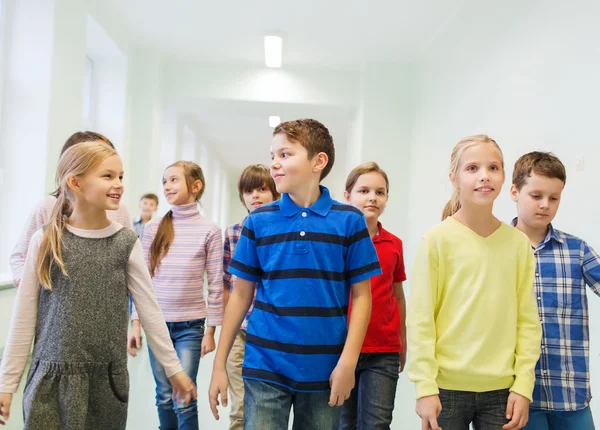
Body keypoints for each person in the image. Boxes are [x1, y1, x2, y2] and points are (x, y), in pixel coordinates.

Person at [0, 142, 196, 429]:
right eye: (108, 176)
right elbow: (24, 316)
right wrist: (7, 383)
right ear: (75, 182)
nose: (118, 184)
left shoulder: (126, 243)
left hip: (106, 384)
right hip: (50, 381)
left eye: (120, 176)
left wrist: (173, 367)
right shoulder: (44, 241)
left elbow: (150, 311)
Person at [209, 118, 380, 430]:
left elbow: (362, 296)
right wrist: (219, 364)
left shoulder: (349, 221)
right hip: (264, 364)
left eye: (285, 155)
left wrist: (348, 362)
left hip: (325, 368)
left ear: (318, 161)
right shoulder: (258, 222)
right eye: (272, 155)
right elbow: (240, 296)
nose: (274, 163)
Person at [407, 134, 542, 430]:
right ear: (454, 178)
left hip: (502, 393)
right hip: (446, 391)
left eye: (493, 168)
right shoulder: (437, 240)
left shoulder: (518, 244)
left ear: (504, 177)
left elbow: (528, 322)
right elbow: (420, 321)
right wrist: (425, 387)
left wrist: (523, 385)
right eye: (472, 168)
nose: (484, 176)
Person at [511, 152, 599, 430]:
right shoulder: (497, 249)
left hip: (570, 396)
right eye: (536, 196)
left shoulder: (577, 250)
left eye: (554, 198)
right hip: (516, 397)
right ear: (515, 192)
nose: (545, 205)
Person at [339, 162, 407, 430]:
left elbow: (398, 296)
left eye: (380, 192)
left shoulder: (394, 244)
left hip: (383, 352)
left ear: (387, 199)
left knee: (376, 425)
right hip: (340, 350)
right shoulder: (336, 242)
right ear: (347, 196)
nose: (372, 198)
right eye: (364, 190)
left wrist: (402, 340)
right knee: (343, 424)